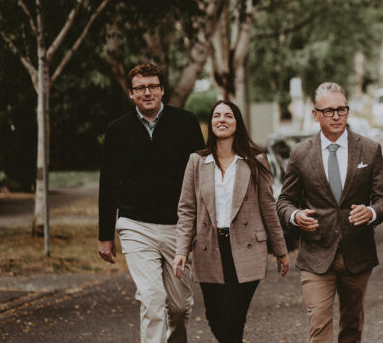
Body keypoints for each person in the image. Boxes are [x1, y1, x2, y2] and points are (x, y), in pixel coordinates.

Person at [277, 82, 383, 343]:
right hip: (316, 254)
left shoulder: (369, 149)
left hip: (357, 252)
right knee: (319, 325)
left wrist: (372, 213)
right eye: (329, 111)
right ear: (315, 114)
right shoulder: (299, 154)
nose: (336, 116)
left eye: (341, 109)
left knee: (352, 326)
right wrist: (295, 217)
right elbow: (284, 201)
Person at [97, 63, 204, 343]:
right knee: (152, 298)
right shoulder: (117, 130)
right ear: (131, 94)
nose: (147, 92)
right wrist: (105, 236)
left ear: (162, 90)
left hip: (177, 227)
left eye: (153, 86)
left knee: (180, 308)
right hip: (136, 226)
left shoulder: (186, 123)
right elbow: (107, 184)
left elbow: (202, 178)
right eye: (140, 88)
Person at [171, 100, 289, 343]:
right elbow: (187, 210)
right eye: (216, 115)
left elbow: (268, 207)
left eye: (228, 115)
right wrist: (181, 249)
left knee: (234, 315)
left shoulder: (255, 160)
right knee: (215, 315)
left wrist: (281, 251)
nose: (221, 119)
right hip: (208, 248)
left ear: (237, 123)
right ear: (211, 123)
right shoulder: (197, 161)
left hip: (247, 247)